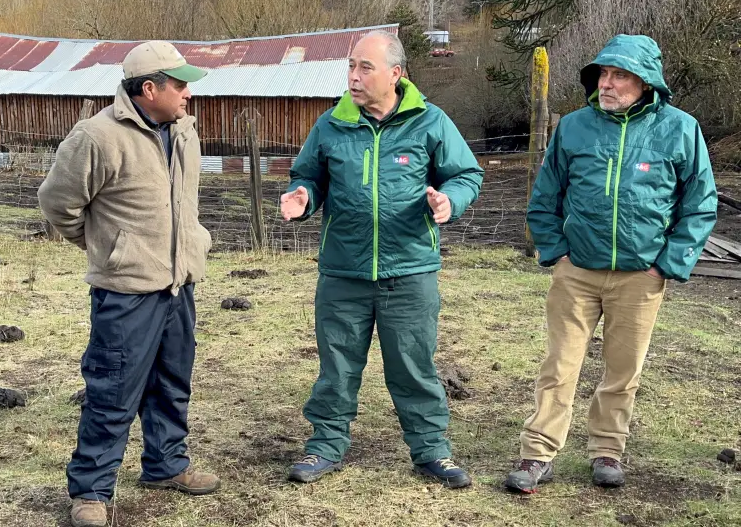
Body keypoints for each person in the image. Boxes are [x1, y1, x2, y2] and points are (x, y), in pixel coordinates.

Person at [505, 34, 718, 493]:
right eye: (603, 74)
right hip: (577, 272)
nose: (608, 83)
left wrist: (667, 264)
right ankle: (536, 454)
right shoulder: (575, 127)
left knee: (623, 371)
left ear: (646, 82)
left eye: (619, 75)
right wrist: (556, 253)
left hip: (641, 277)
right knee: (559, 365)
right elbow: (545, 197)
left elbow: (699, 204)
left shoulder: (680, 129)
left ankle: (607, 450)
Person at [280, 29, 484, 488]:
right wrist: (303, 197)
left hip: (409, 271)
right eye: (351, 66)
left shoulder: (430, 121)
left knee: (414, 366)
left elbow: (466, 173)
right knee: (336, 366)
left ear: (396, 73)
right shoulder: (331, 124)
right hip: (344, 271)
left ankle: (431, 450)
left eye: (364, 67)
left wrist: (450, 199)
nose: (353, 76)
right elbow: (308, 176)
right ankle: (325, 447)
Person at [37, 40, 218, 527]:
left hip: (180, 286)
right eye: (179, 84)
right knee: (113, 390)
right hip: (126, 291)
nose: (187, 94)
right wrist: (107, 247)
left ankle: (166, 466)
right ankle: (92, 489)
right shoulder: (96, 136)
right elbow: (57, 203)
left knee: (172, 384)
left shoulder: (183, 131)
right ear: (149, 88)